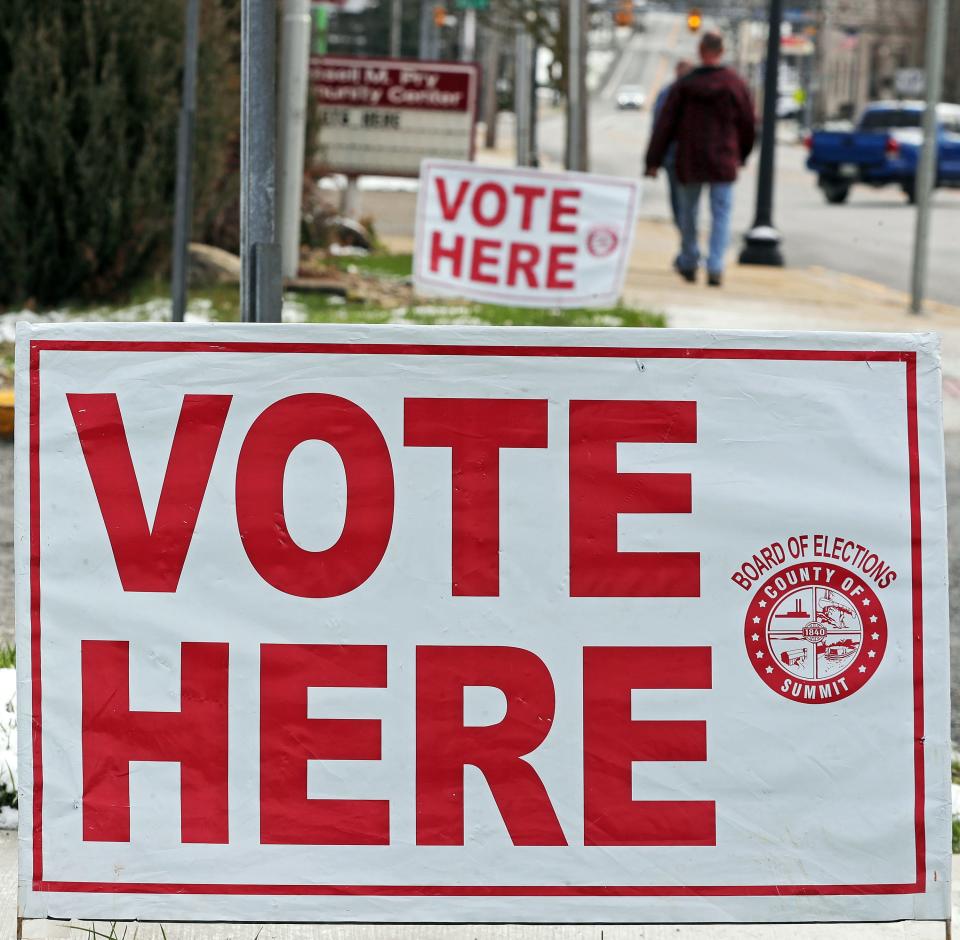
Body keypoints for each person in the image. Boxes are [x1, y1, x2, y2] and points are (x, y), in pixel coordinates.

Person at [644, 31, 755, 286]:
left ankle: (690, 259)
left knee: (688, 213)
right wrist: (743, 154)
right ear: (722, 52)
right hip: (723, 160)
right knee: (721, 214)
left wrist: (653, 160)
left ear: (700, 50)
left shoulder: (684, 85)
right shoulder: (734, 84)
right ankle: (716, 265)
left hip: (689, 159)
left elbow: (665, 125)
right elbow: (748, 123)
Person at [651, 59, 692, 231]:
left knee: (684, 201)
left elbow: (658, 126)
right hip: (676, 156)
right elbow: (658, 127)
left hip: (686, 157)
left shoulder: (694, 94)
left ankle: (687, 244)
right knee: (683, 201)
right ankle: (687, 241)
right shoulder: (668, 93)